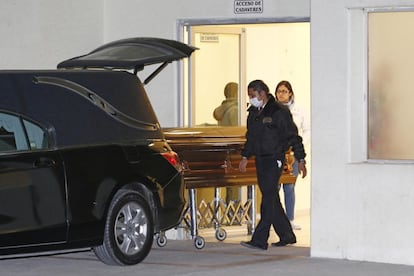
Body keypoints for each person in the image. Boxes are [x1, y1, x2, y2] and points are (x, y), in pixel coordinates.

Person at [239, 79, 307, 250]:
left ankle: (260, 239)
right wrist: (245, 156)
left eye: (252, 95)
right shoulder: (254, 112)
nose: (251, 98)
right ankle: (286, 234)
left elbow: (293, 136)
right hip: (261, 158)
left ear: (262, 93)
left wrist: (301, 159)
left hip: (275, 157)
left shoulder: (278, 111)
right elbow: (251, 137)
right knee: (272, 197)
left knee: (268, 198)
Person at [275, 80, 310, 230]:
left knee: (289, 187)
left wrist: (299, 152)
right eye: (279, 91)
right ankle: (274, 218)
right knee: (274, 187)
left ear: (290, 93)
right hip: (276, 153)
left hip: (293, 154)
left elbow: (307, 130)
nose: (281, 94)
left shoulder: (299, 110)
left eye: (284, 91)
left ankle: (289, 219)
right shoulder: (272, 110)